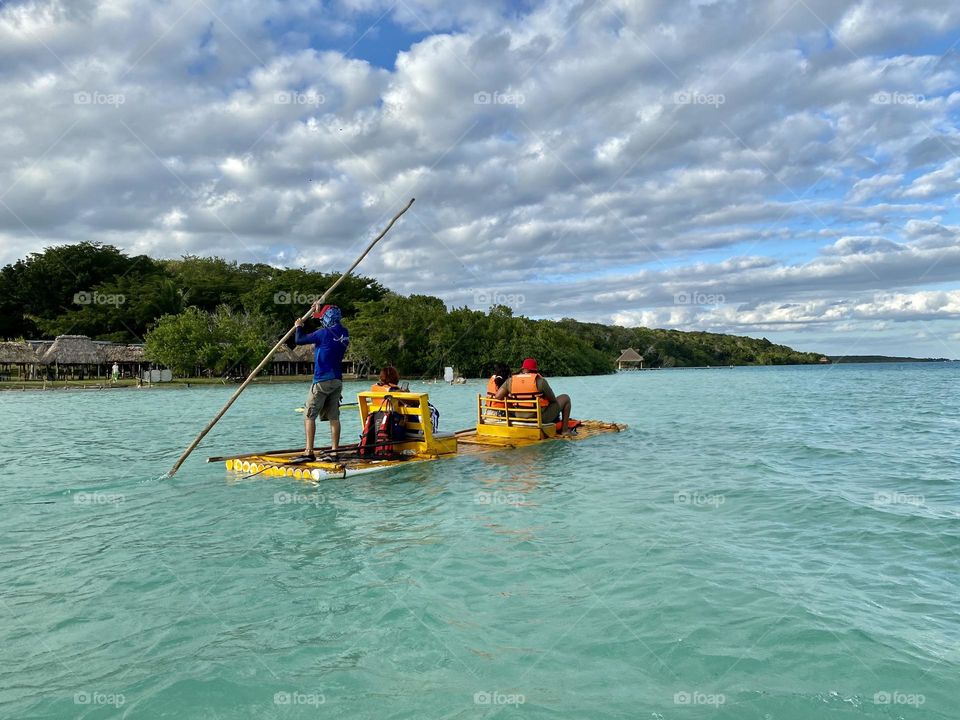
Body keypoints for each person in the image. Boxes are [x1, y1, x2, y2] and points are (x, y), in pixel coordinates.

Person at [292, 304, 350, 460]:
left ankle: (308, 452)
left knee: (309, 415)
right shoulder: (345, 333)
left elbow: (299, 339)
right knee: (334, 417)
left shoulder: (322, 334)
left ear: (327, 318)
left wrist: (298, 326)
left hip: (321, 380)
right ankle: (334, 451)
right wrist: (317, 312)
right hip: (337, 380)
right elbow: (329, 326)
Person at [494, 358, 573, 435]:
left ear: (523, 369)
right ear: (535, 370)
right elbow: (552, 399)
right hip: (538, 418)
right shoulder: (540, 381)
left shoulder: (510, 381)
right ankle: (565, 431)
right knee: (565, 398)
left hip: (518, 416)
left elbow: (497, 396)